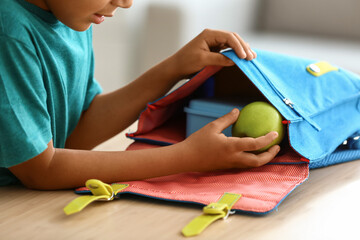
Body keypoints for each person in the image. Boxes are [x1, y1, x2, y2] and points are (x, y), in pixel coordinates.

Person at [0, 0, 281, 190]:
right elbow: (41, 169)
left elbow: (74, 133)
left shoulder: (70, 16)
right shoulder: (9, 32)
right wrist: (188, 157)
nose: (125, 3)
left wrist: (174, 68)